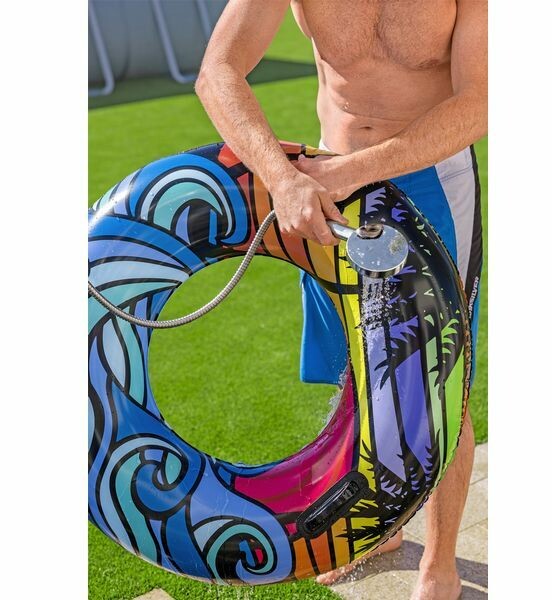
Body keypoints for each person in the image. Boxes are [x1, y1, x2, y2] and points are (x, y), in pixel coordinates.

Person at [195, 1, 486, 598]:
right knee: (358, 373)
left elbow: (483, 99)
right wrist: (283, 177)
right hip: (326, 185)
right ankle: (379, 530)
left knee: (439, 384)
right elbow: (218, 70)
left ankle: (440, 563)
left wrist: (355, 171)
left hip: (431, 181)